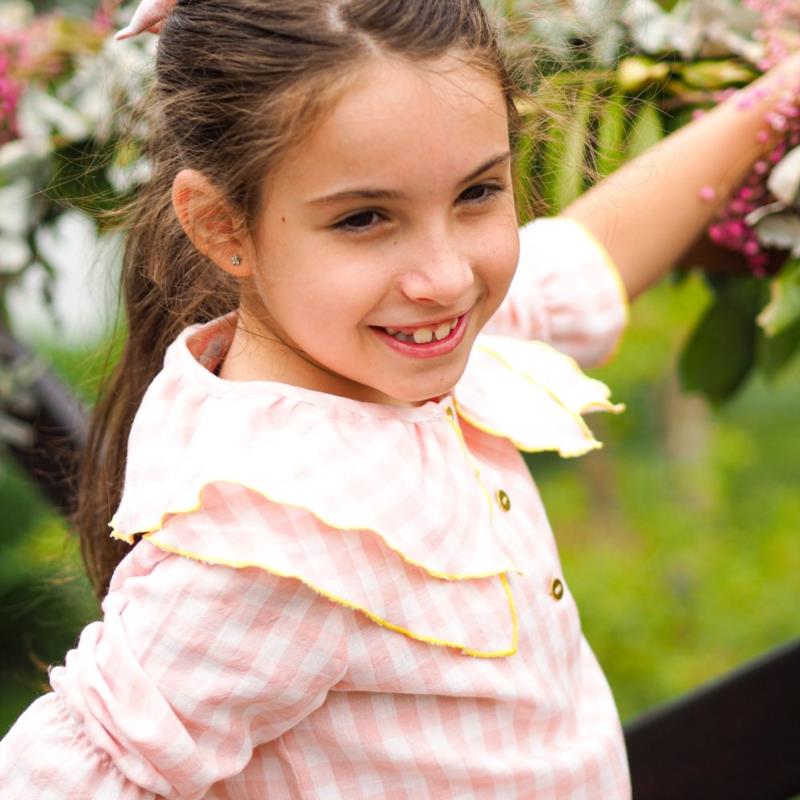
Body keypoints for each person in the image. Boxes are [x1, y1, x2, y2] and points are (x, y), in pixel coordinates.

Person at [0, 1, 795, 797]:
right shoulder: (275, 532)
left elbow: (584, 262)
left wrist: (778, 98)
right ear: (220, 225)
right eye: (364, 218)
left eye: (477, 192)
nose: (445, 277)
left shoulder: (388, 359)